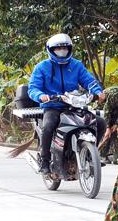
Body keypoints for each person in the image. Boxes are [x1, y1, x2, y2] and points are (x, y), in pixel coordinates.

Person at [28, 33, 106, 174]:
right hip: (53, 107)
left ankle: (91, 155)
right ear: (51, 50)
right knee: (48, 126)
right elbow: (33, 88)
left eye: (65, 48)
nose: (62, 51)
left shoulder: (76, 65)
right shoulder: (42, 67)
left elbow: (89, 81)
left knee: (99, 123)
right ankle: (45, 161)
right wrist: (41, 96)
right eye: (58, 48)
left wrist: (98, 92)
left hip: (74, 106)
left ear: (70, 49)